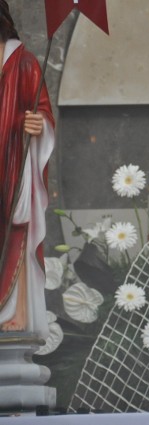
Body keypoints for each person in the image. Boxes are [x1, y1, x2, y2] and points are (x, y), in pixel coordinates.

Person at [0, 0, 55, 337]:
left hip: (12, 164)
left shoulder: (23, 63)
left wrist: (39, 125)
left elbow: (43, 112)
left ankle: (13, 314)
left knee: (15, 229)